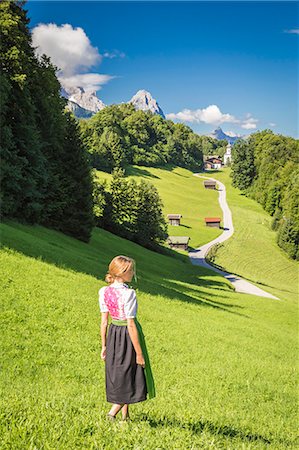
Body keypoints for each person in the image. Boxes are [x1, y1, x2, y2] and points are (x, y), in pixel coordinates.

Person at [99, 255, 155, 422]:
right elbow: (130, 324)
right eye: (131, 270)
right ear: (122, 272)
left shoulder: (104, 291)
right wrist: (139, 353)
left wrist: (104, 345)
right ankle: (112, 414)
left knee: (123, 373)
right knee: (130, 373)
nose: (133, 273)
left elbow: (104, 322)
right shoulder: (129, 294)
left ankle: (126, 417)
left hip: (113, 334)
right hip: (126, 335)